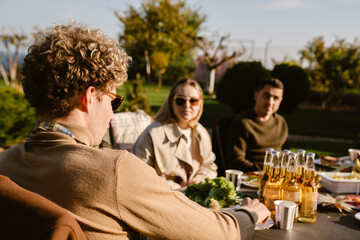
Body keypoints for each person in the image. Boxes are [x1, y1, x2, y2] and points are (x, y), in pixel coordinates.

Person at [0, 22, 270, 240]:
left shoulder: (5, 165)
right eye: (114, 100)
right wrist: (249, 214)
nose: (111, 114)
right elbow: (217, 234)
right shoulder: (115, 170)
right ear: (89, 97)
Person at [133, 78, 217, 190]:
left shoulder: (201, 133)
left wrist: (199, 181)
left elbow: (209, 165)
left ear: (200, 104)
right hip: (161, 198)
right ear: (171, 102)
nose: (187, 105)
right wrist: (179, 187)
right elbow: (140, 177)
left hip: (195, 198)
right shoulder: (152, 134)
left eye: (193, 101)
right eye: (180, 100)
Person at [226, 78, 288, 172]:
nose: (270, 102)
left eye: (275, 98)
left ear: (281, 100)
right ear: (256, 96)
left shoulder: (281, 123)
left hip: (279, 178)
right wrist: (268, 170)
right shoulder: (243, 123)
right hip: (252, 179)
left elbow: (286, 154)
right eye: (266, 96)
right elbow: (236, 162)